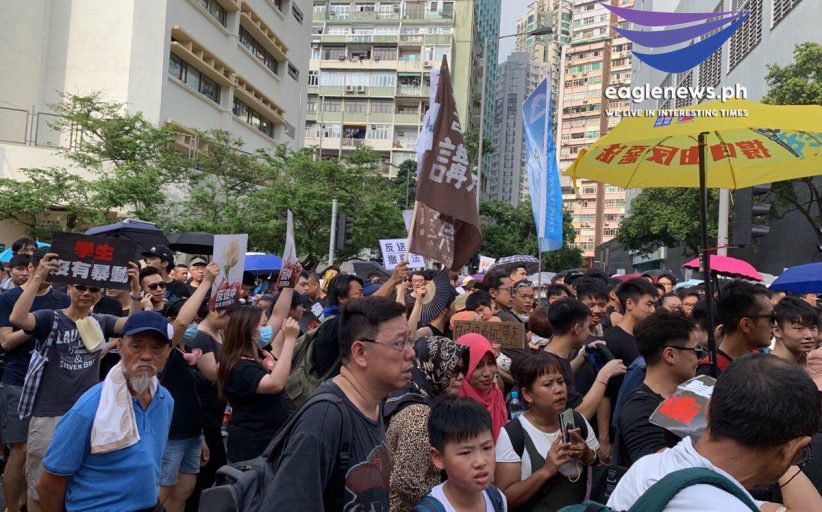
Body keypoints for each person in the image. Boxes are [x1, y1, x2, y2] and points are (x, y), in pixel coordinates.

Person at [9, 253, 142, 512]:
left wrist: (135, 290)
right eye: (81, 287)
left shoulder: (100, 322)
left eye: (93, 289)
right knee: (40, 486)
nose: (87, 293)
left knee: (76, 482)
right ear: (69, 289)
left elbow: (131, 325)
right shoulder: (50, 317)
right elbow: (18, 319)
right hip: (48, 414)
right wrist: (39, 276)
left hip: (86, 416)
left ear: (99, 295)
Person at [608, 355, 822, 512]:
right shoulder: (726, 505)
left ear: (708, 409)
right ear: (794, 450)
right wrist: (785, 456)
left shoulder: (647, 467)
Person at [261, 296, 413, 512]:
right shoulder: (324, 417)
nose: (411, 352)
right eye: (399, 343)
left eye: (410, 340)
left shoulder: (373, 405)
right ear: (360, 352)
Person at [36, 311, 174, 512]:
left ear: (168, 352)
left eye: (156, 348)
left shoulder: (164, 400)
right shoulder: (91, 406)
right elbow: (48, 485)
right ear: (120, 347)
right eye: (136, 346)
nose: (146, 356)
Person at [0, 250, 70, 512]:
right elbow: (6, 342)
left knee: (46, 449)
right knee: (20, 449)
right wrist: (37, 325)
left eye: (54, 268)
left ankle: (31, 503)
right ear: (31, 268)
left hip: (53, 384)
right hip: (18, 380)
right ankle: (11, 506)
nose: (49, 272)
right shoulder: (9, 298)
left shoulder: (63, 299)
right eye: (44, 267)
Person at [496, 352, 598, 511]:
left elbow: (600, 464)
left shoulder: (577, 421)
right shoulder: (514, 434)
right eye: (548, 384)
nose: (559, 390)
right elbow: (504, 500)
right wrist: (546, 471)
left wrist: (587, 455)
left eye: (560, 382)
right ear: (527, 395)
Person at [385, 336, 467, 512]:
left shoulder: (427, 403)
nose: (461, 377)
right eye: (453, 370)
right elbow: (406, 482)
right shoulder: (419, 416)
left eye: (463, 369)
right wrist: (448, 505)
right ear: (431, 368)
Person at [614, 311, 701, 466]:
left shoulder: (683, 397)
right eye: (696, 351)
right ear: (670, 355)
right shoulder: (640, 410)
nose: (698, 359)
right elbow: (660, 471)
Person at [218, 305, 299, 462]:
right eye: (264, 325)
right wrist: (290, 340)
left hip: (269, 442)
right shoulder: (240, 368)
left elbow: (278, 314)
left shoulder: (260, 357)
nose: (268, 328)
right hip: (252, 447)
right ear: (247, 330)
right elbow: (275, 384)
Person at [541, 299, 625, 423]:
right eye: (587, 327)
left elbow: (565, 373)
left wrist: (584, 354)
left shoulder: (549, 357)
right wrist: (604, 375)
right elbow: (578, 416)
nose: (588, 333)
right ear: (577, 328)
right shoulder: (549, 366)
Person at [418, 396, 507, 512]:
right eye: (465, 452)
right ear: (438, 458)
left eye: (487, 448)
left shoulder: (497, 498)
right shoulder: (431, 509)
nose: (480, 462)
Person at [697, 281, 773, 377]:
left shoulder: (760, 361)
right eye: (771, 318)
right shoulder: (710, 371)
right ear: (746, 325)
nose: (774, 324)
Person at [457, 333, 508, 441]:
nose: (487, 373)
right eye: (478, 366)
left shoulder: (496, 394)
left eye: (490, 363)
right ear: (462, 367)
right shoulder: (453, 405)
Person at [604, 278, 658, 369]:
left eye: (654, 305)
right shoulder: (612, 341)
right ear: (629, 304)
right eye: (649, 305)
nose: (653, 310)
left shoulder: (648, 337)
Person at [771, 296, 819, 366]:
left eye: (812, 328)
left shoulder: (808, 364)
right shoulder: (769, 368)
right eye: (799, 328)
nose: (809, 335)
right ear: (777, 331)